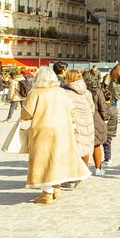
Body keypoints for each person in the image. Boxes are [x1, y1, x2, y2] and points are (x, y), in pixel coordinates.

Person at [21, 66, 90, 204]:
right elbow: (72, 110)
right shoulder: (61, 92)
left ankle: (46, 194)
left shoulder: (35, 93)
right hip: (63, 129)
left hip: (43, 131)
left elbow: (26, 114)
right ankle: (56, 187)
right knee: (57, 159)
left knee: (44, 160)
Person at [63, 70, 97, 180]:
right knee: (86, 147)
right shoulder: (86, 92)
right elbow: (92, 108)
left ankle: (75, 174)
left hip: (74, 125)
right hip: (88, 124)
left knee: (74, 149)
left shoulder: (65, 93)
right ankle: (85, 170)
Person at [82, 69, 109, 176]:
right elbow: (103, 107)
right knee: (96, 144)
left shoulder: (81, 91)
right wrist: (105, 118)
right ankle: (98, 168)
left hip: (84, 117)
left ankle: (84, 169)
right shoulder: (98, 91)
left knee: (84, 145)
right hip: (96, 118)